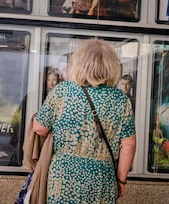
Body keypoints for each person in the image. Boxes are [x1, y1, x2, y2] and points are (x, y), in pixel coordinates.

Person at [33, 39, 136, 203]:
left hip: (63, 175)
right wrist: (121, 180)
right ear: (112, 66)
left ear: (79, 64)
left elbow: (39, 128)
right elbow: (128, 144)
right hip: (102, 176)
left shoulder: (63, 91)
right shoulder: (121, 100)